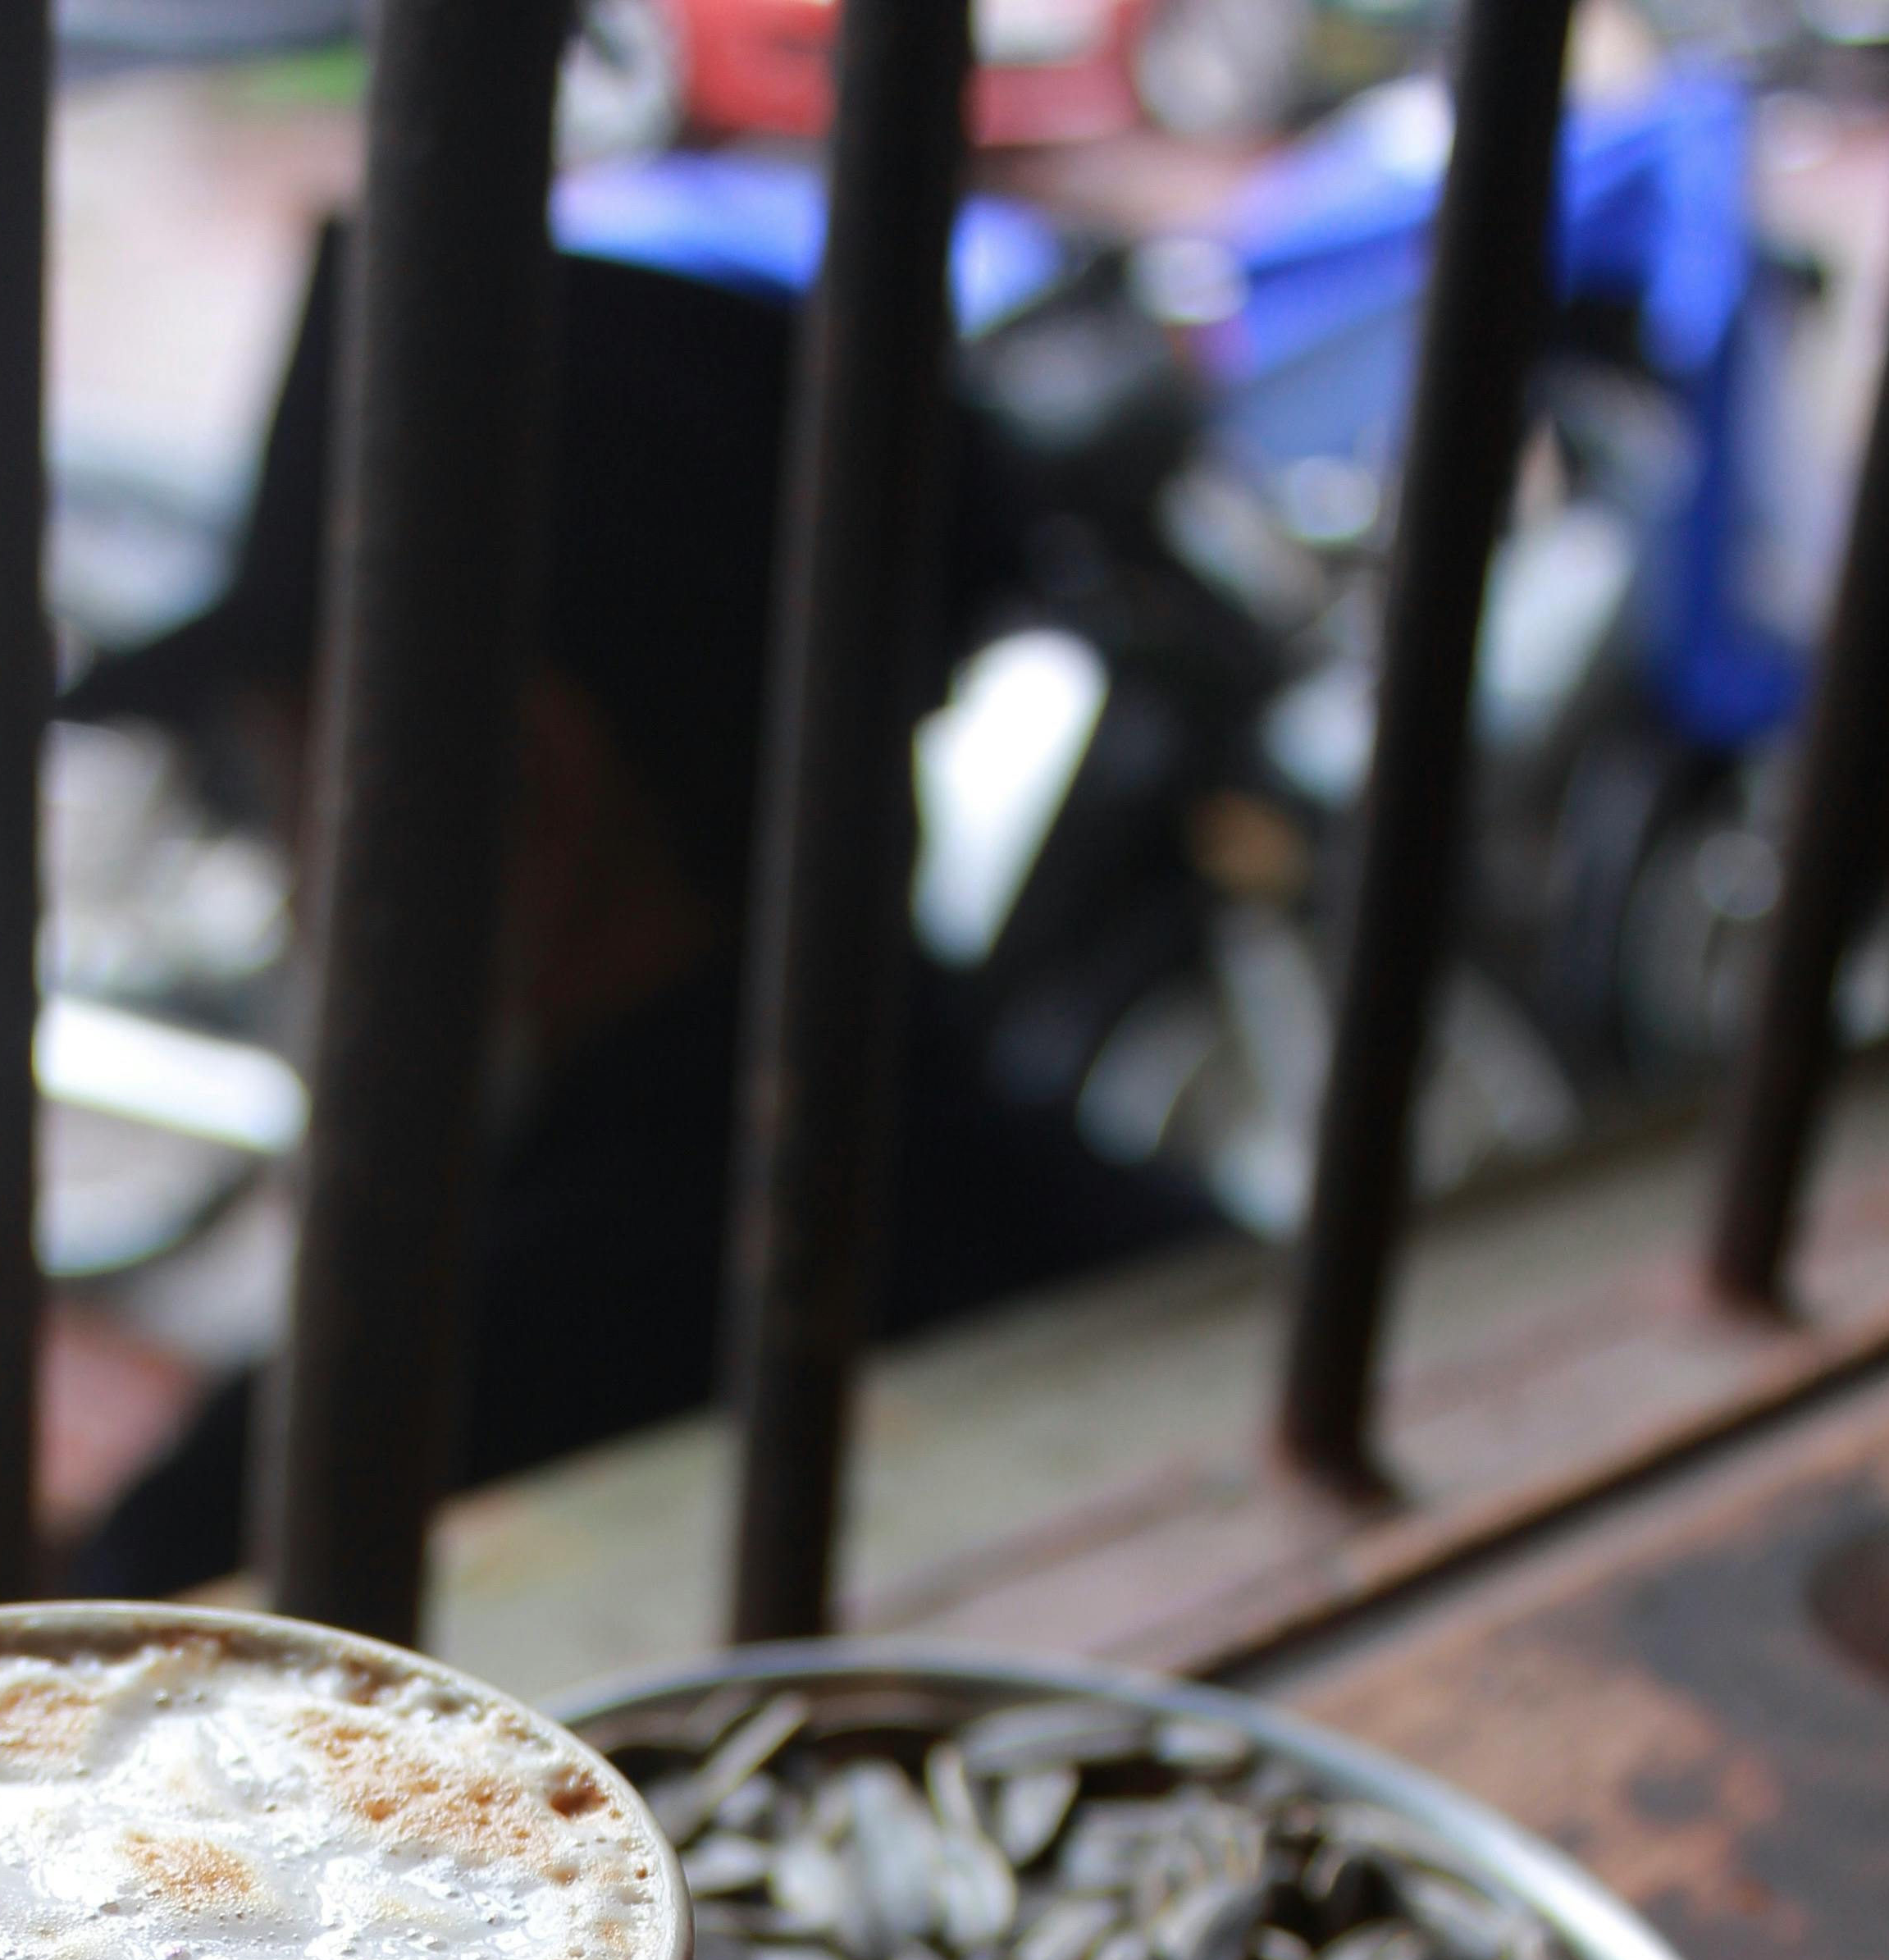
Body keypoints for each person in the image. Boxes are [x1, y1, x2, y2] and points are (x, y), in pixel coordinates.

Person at [63, 219, 1198, 1596]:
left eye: (283, 784)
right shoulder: (1150, 1251)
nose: (288, 887)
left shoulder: (405, 1426)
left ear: (530, 800)